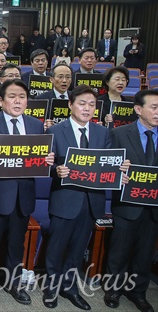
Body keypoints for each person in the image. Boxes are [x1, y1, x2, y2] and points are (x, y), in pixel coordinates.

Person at [0, 79, 53, 305]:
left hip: (23, 194)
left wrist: (47, 160)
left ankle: (14, 283)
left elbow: (40, 159)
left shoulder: (37, 126)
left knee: (17, 243)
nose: (17, 101)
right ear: (1, 101)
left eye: (22, 97)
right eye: (12, 96)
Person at [43, 85, 120, 310]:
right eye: (82, 103)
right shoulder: (55, 131)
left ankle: (70, 287)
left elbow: (108, 165)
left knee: (78, 249)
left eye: (92, 105)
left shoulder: (103, 132)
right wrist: (56, 169)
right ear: (70, 105)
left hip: (91, 201)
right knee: (56, 247)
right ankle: (51, 287)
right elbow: (46, 165)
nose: (87, 108)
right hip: (65, 199)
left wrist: (119, 171)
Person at [103, 89, 158, 312]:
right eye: (154, 107)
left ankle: (138, 292)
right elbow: (105, 164)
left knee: (145, 252)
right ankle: (113, 289)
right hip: (126, 203)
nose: (157, 112)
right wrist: (118, 172)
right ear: (138, 109)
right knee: (120, 249)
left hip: (154, 206)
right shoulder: (120, 133)